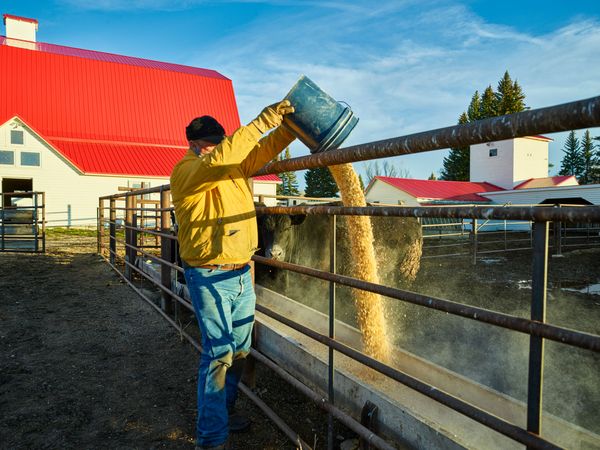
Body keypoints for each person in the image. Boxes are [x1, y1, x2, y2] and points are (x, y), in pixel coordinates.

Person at [170, 100, 295, 450]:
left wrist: (288, 130)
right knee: (219, 352)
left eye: (219, 141)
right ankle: (210, 438)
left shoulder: (232, 165)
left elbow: (260, 150)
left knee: (240, 350)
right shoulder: (186, 171)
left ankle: (223, 413)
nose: (217, 147)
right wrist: (262, 121)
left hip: (242, 272)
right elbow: (221, 158)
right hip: (209, 275)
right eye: (211, 143)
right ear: (195, 146)